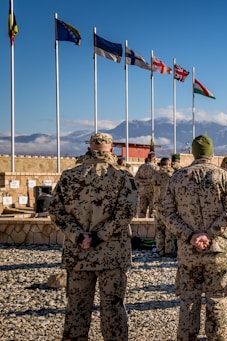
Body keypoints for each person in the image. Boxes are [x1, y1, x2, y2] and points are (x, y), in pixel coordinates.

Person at [49, 133, 138, 341]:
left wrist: (79, 236)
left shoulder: (69, 176)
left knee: (76, 309)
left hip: (79, 254)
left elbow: (55, 212)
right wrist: (99, 236)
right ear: (111, 150)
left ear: (89, 149)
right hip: (112, 255)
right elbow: (125, 214)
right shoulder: (123, 176)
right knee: (113, 308)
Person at [162, 134, 227, 341]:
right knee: (217, 300)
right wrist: (210, 234)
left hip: (189, 251)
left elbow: (167, 213)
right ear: (212, 153)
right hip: (217, 250)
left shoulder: (177, 177)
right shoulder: (224, 177)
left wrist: (191, 236)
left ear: (194, 153)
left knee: (188, 300)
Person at [151, 157, 176, 257]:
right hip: (169, 205)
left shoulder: (155, 175)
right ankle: (169, 250)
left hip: (157, 205)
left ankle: (160, 249)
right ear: (169, 164)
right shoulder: (172, 175)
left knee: (159, 229)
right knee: (169, 228)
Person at [135, 152, 159, 218]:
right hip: (152, 190)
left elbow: (136, 178)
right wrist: (148, 182)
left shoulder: (141, 167)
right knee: (152, 211)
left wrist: (142, 182)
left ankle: (140, 226)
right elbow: (155, 179)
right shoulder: (155, 167)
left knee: (142, 211)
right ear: (154, 158)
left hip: (142, 190)